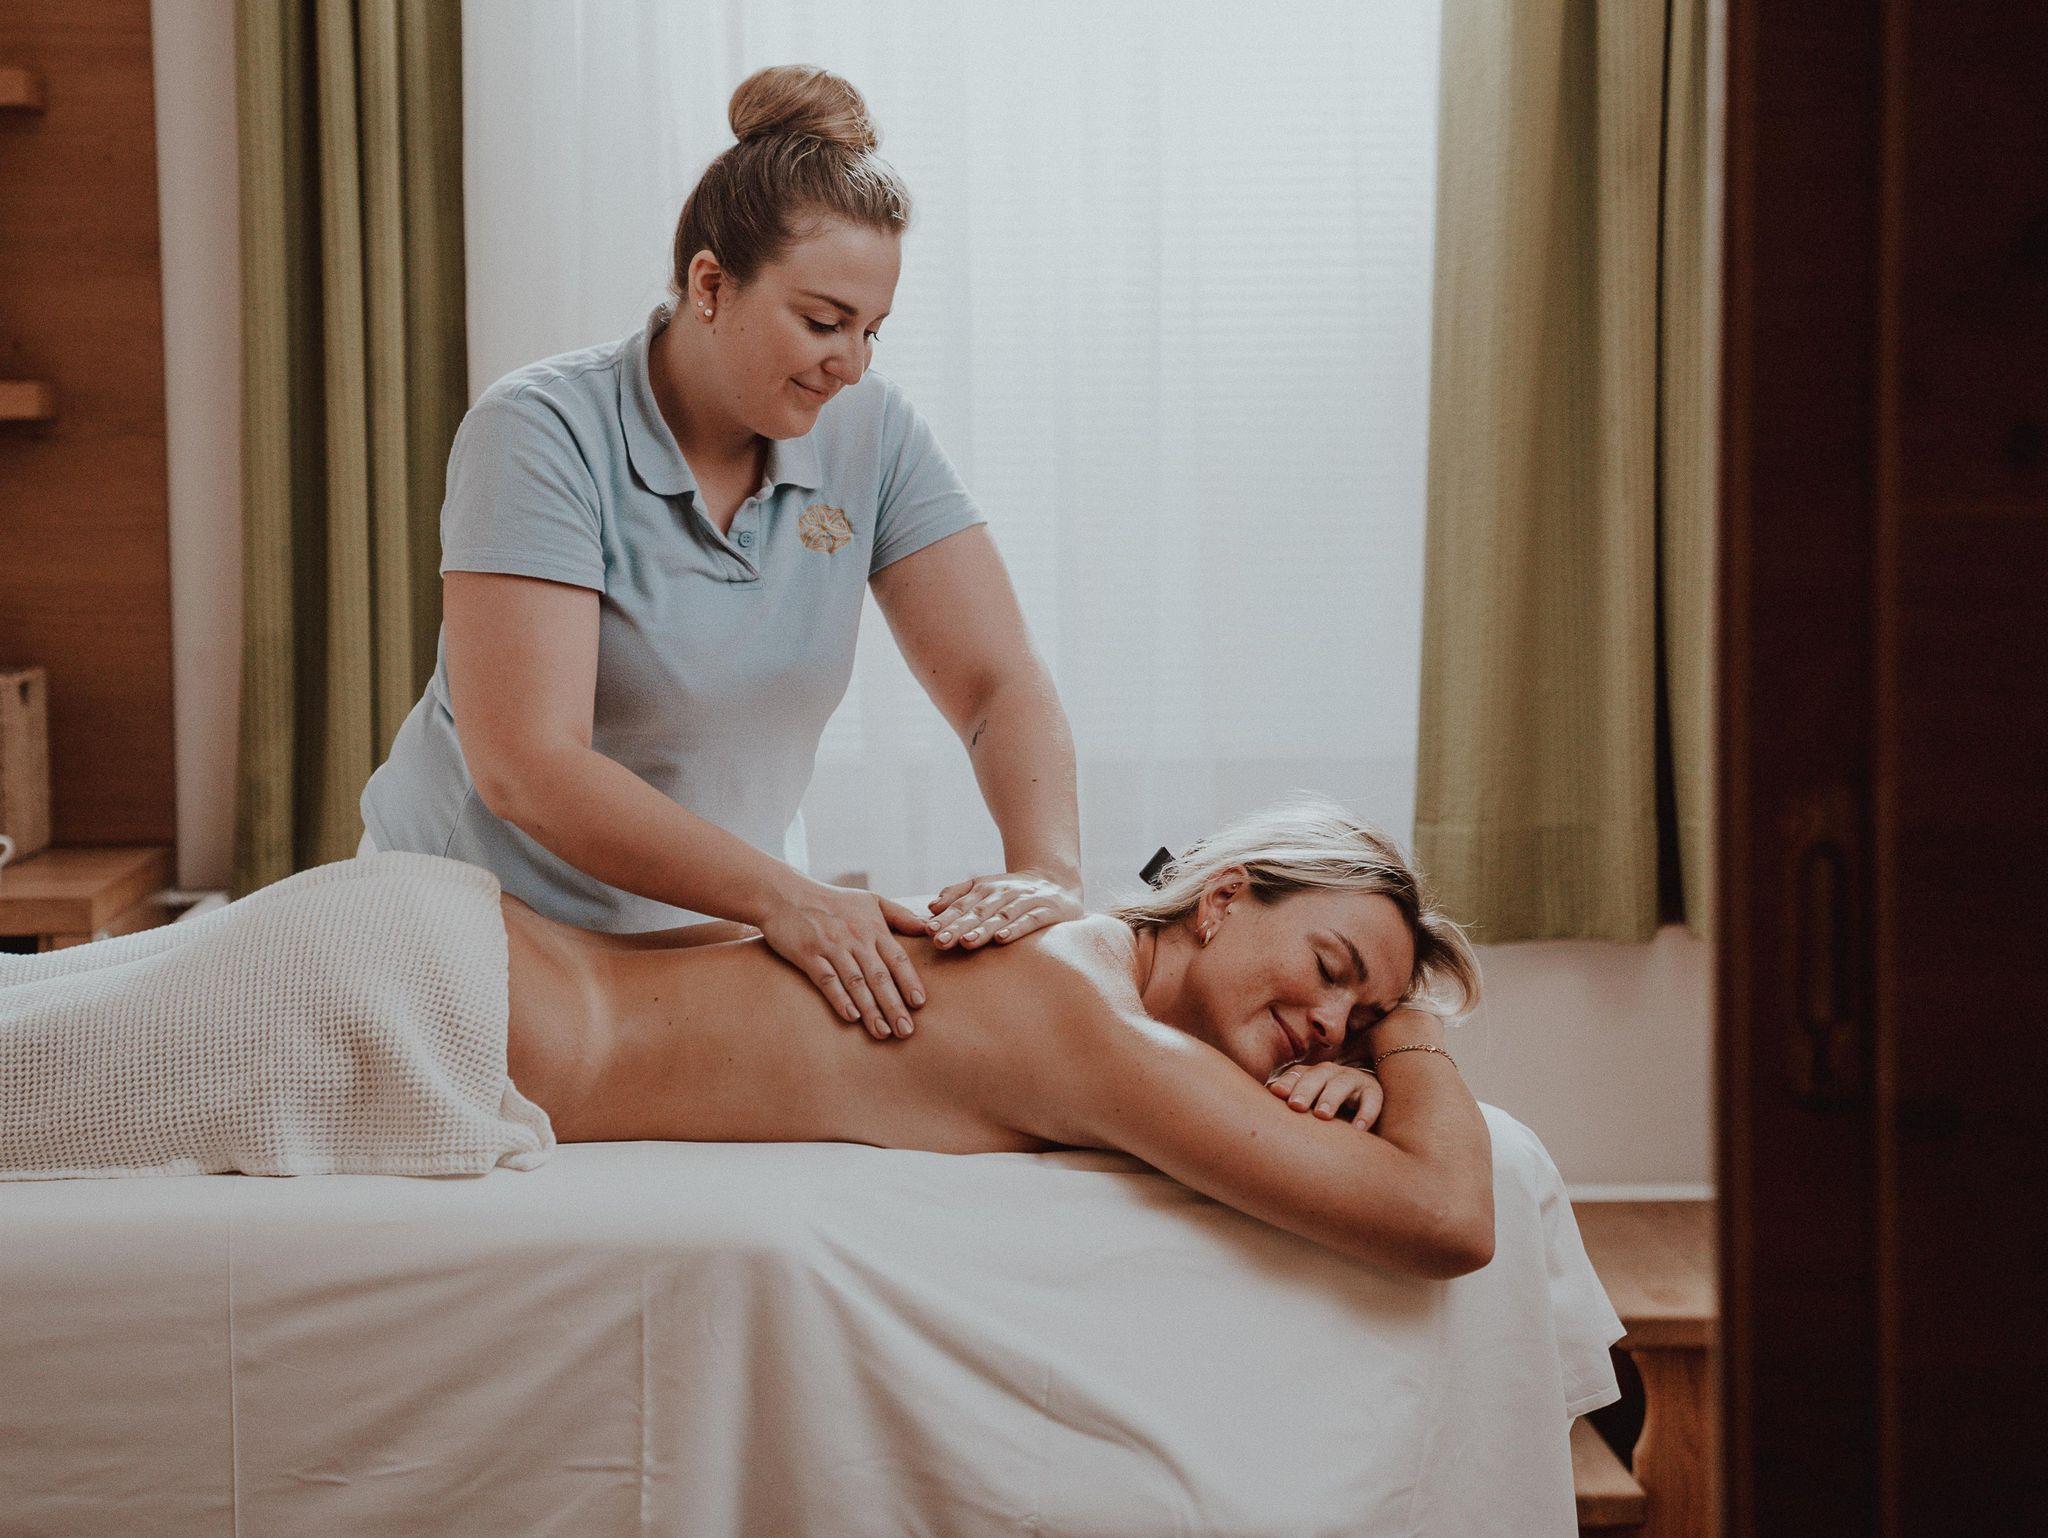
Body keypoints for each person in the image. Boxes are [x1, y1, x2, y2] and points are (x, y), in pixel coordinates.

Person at [358, 63, 1084, 1046]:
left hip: (725, 933)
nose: (851, 362)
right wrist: (786, 897)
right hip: (486, 930)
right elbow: (528, 766)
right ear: (710, 284)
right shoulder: (538, 431)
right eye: (822, 322)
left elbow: (997, 683)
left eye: (871, 331)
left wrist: (1047, 872)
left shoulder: (868, 432)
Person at [504, 796, 1495, 1279]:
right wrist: (1412, 1027)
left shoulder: (1065, 956)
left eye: (1358, 1021)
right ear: (1223, 898)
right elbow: (1447, 1219)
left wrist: (1366, 1063)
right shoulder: (1085, 1016)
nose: (1330, 1023)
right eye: (1332, 968)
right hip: (479, 1010)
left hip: (499, 962)